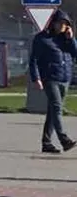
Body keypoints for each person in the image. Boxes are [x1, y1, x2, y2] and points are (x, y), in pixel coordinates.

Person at [29, 9, 77, 154]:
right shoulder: (42, 39)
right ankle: (64, 140)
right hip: (49, 78)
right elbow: (33, 60)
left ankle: (46, 142)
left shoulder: (65, 39)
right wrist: (36, 78)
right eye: (60, 23)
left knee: (52, 111)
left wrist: (71, 39)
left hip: (64, 78)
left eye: (65, 24)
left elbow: (75, 53)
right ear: (53, 23)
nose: (62, 26)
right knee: (57, 108)